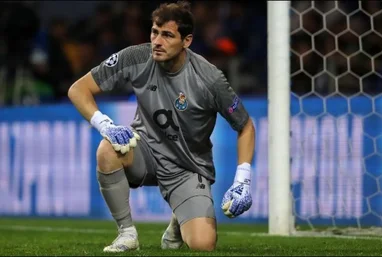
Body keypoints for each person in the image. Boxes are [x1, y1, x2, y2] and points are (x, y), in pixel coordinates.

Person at [67, 0, 255, 253]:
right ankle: (127, 233)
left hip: (188, 167)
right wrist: (106, 125)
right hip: (145, 151)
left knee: (202, 244)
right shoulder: (136, 56)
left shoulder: (210, 79)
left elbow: (245, 126)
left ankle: (178, 221)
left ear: (186, 41)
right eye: (155, 32)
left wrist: (242, 180)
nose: (157, 41)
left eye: (167, 35)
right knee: (107, 149)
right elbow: (78, 89)